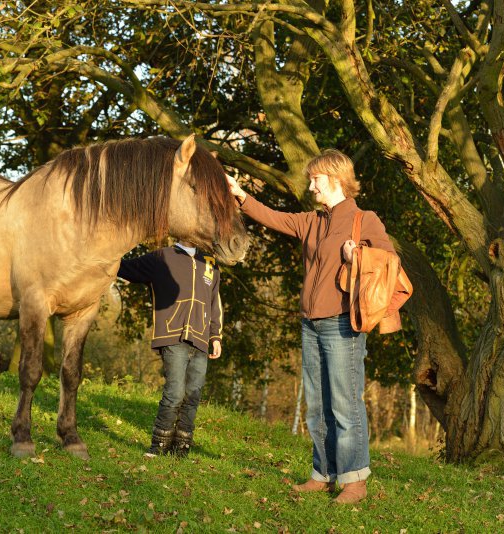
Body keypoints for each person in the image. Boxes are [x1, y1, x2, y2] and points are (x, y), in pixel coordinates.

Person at [227, 149, 397, 505]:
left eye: (315, 179)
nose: (310, 185)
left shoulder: (364, 219)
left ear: (334, 178)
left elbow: (389, 262)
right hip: (310, 324)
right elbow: (274, 218)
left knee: (345, 403)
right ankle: (323, 474)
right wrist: (241, 195)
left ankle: (354, 480)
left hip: (342, 326)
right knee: (317, 406)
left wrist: (359, 256)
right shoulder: (313, 221)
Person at [117, 241, 223, 458]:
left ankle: (182, 447)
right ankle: (159, 445)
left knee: (193, 394)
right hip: (172, 334)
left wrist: (216, 336)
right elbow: (123, 268)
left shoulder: (210, 262)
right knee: (174, 393)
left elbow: (215, 302)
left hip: (201, 337)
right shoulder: (161, 257)